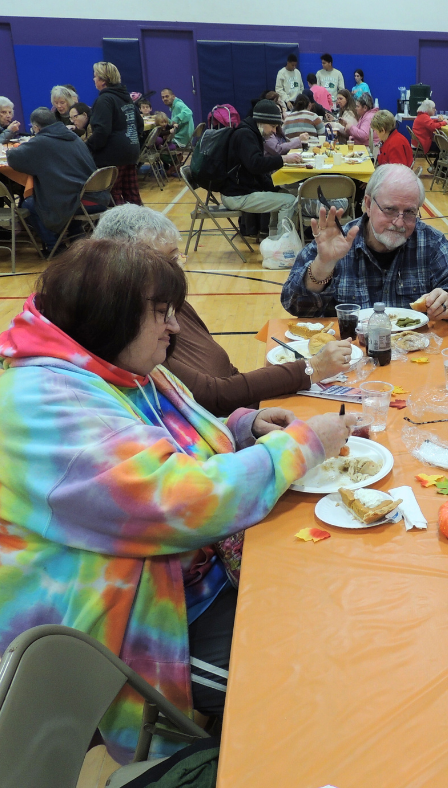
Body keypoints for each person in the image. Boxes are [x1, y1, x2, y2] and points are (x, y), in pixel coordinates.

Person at [0, 238, 353, 763]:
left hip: (199, 581)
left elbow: (174, 436)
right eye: (161, 313)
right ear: (109, 316)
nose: (175, 327)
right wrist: (304, 445)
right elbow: (183, 499)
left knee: (331, 602)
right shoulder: (43, 406)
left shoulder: (112, 364)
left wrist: (245, 426)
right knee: (311, 673)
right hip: (133, 630)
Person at [92, 205, 353, 415]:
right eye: (167, 261)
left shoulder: (172, 305)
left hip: (243, 414)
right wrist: (311, 368)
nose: (178, 269)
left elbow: (225, 373)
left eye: (176, 257)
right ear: (125, 271)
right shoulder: (134, 334)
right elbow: (213, 396)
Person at [281, 164, 448, 320]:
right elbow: (294, 305)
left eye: (409, 212)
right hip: (349, 352)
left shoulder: (430, 242)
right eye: (390, 210)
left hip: (414, 351)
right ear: (368, 204)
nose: (399, 222)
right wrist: (323, 266)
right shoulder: (337, 242)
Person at [7, 107, 107, 252]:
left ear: (36, 127)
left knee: (28, 203)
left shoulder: (41, 141)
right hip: (98, 196)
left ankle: (55, 247)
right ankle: (76, 236)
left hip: (77, 202)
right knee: (63, 191)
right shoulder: (73, 136)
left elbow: (14, 159)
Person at [218, 99, 301, 234]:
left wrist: (275, 187)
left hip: (240, 191)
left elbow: (257, 172)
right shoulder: (245, 135)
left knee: (284, 194)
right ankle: (284, 242)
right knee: (290, 201)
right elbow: (255, 165)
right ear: (262, 121)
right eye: (272, 126)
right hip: (236, 196)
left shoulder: (251, 133)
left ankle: (274, 237)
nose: (274, 131)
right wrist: (283, 159)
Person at [87, 61, 145, 206]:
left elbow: (102, 131)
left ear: (103, 80)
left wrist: (87, 147)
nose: (93, 79)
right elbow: (140, 124)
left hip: (112, 156)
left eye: (95, 76)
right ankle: (142, 220)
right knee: (132, 196)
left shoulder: (104, 100)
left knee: (114, 196)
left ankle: (120, 222)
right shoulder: (125, 98)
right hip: (131, 151)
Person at [412, 99, 447, 163]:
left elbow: (430, 123)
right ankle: (437, 166)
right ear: (428, 108)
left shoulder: (421, 116)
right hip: (422, 144)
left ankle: (437, 166)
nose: (435, 110)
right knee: (444, 148)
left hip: (418, 143)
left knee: (442, 146)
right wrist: (444, 122)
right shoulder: (424, 117)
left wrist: (438, 121)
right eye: (433, 108)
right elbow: (433, 127)